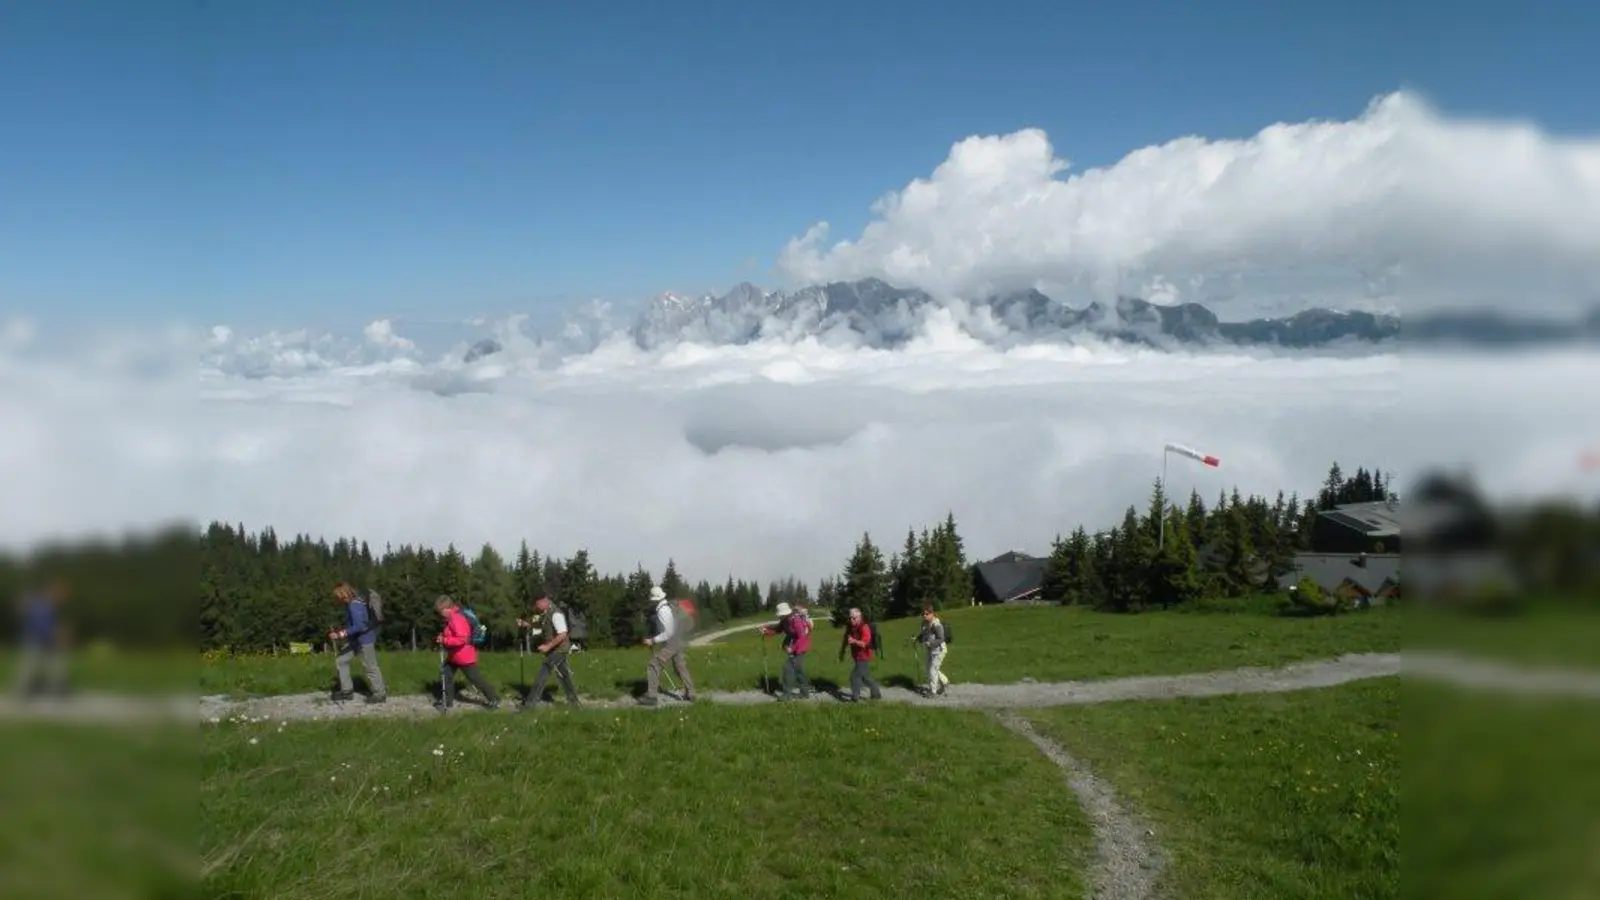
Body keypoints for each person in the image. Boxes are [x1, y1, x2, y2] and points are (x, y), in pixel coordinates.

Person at [434, 594, 500, 711]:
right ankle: (447, 701)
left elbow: (462, 639)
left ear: (446, 609)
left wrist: (444, 640)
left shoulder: (456, 619)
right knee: (446, 675)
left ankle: (494, 699)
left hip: (464, 656)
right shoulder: (452, 617)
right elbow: (452, 634)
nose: (440, 615)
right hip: (454, 655)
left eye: (440, 611)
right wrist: (443, 636)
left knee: (476, 679)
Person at [517, 592, 580, 708]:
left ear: (544, 600)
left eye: (537, 604)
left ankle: (529, 705)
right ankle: (575, 703)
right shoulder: (545, 614)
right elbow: (543, 629)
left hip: (559, 649)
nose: (536, 607)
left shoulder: (555, 614)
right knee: (564, 675)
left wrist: (548, 646)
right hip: (555, 649)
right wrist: (527, 625)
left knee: (543, 673)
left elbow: (562, 634)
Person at [327, 582, 387, 704]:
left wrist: (340, 634)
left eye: (337, 595)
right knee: (341, 660)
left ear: (342, 594)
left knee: (370, 666)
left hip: (365, 640)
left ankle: (380, 694)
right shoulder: (354, 603)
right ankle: (347, 691)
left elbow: (359, 626)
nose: (336, 598)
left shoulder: (354, 605)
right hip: (356, 640)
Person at [12, 578, 69, 700]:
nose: (62, 599)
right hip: (35, 640)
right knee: (30, 666)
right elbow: (40, 625)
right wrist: (56, 635)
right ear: (53, 592)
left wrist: (58, 632)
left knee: (57, 665)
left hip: (46, 641)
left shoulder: (51, 606)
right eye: (60, 595)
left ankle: (56, 691)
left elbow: (52, 624)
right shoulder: (42, 605)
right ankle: (21, 693)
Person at [641, 586, 696, 705]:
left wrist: (653, 641)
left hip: (671, 642)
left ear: (655, 599)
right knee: (680, 667)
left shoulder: (662, 610)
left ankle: (651, 697)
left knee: (653, 665)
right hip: (677, 640)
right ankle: (691, 693)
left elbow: (668, 632)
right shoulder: (668, 607)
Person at [759, 601, 813, 701]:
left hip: (801, 646)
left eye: (779, 614)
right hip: (795, 645)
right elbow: (777, 629)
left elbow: (802, 636)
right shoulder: (785, 620)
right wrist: (766, 630)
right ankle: (805, 693)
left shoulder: (795, 620)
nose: (778, 617)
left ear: (785, 613)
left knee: (788, 668)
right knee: (798, 670)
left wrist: (792, 648)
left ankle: (787, 695)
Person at [841, 607, 882, 702]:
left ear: (859, 617)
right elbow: (846, 639)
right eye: (850, 618)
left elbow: (864, 644)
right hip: (857, 656)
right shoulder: (851, 627)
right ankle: (876, 694)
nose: (851, 620)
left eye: (854, 618)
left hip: (864, 656)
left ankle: (855, 698)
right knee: (865, 678)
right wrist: (842, 652)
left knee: (854, 677)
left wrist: (854, 641)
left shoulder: (864, 627)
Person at [914, 605, 949, 697]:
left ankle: (933, 691)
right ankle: (944, 682)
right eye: (923, 614)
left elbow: (941, 638)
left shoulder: (936, 624)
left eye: (927, 614)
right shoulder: (924, 623)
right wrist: (917, 638)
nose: (925, 616)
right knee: (929, 668)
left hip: (939, 650)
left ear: (932, 614)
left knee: (932, 669)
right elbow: (923, 634)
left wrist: (931, 643)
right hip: (930, 650)